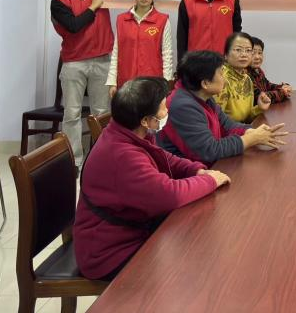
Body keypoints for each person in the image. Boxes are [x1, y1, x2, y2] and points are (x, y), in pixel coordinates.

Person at [73, 76, 231, 280]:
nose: (167, 112)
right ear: (145, 120)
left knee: (199, 245)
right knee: (194, 267)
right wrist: (210, 181)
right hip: (108, 253)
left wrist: (196, 170)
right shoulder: (122, 155)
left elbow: (164, 158)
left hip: (131, 232)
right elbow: (169, 195)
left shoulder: (128, 132)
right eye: (163, 108)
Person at [158, 51, 288, 164]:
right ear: (205, 83)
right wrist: (250, 139)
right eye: (221, 73)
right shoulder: (183, 106)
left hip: (207, 168)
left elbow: (228, 126)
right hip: (184, 175)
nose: (225, 79)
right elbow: (210, 151)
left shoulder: (202, 96)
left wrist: (253, 132)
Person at [50, 0, 114, 165]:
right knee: (72, 114)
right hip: (74, 63)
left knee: (102, 113)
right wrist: (93, 7)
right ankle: (74, 161)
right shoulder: (59, 2)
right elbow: (73, 26)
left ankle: (99, 160)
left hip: (102, 60)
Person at [106, 0, 174, 99]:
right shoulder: (122, 19)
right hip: (126, 79)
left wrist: (166, 82)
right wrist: (112, 82)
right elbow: (116, 52)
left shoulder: (162, 20)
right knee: (127, 110)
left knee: (150, 110)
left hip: (152, 79)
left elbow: (167, 54)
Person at [216, 33, 272, 122]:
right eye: (238, 50)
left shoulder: (247, 79)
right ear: (226, 55)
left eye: (248, 50)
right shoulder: (219, 78)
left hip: (242, 128)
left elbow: (246, 117)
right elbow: (216, 120)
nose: (244, 54)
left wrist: (259, 108)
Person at [249, 36, 293, 102]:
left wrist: (283, 87)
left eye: (260, 53)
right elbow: (259, 97)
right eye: (253, 53)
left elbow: (268, 85)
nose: (257, 57)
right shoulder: (245, 73)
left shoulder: (258, 71)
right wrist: (282, 92)